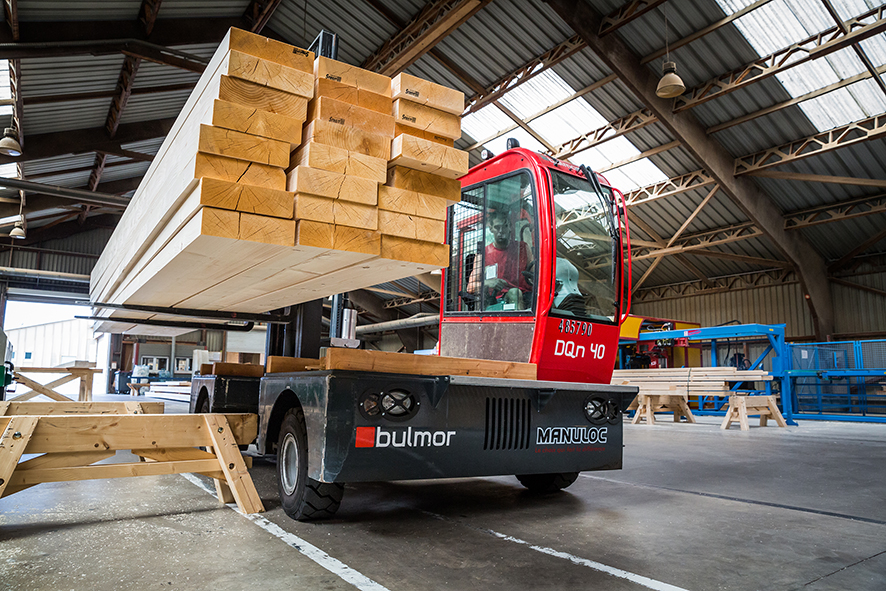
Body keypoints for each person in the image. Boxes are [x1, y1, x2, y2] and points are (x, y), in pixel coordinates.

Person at [469, 211, 531, 309]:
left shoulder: (523, 248)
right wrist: (488, 283)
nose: (501, 231)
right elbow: (470, 287)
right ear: (491, 229)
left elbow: (535, 274)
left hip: (527, 296)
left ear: (510, 227)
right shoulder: (483, 254)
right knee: (514, 293)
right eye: (497, 227)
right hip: (498, 301)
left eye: (505, 226)